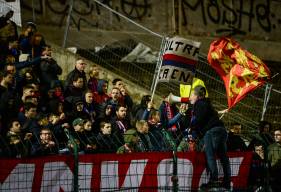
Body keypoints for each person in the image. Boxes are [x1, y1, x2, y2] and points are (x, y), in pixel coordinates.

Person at [188, 85, 231, 190]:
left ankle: (214, 180)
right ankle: (227, 181)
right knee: (223, 157)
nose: (190, 98)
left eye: (192, 95)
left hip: (212, 132)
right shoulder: (208, 104)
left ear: (197, 96)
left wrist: (191, 127)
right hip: (221, 130)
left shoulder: (199, 104)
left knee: (210, 156)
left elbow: (199, 119)